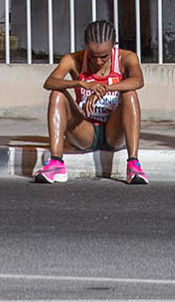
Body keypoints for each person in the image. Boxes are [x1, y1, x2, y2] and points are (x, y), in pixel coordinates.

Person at [33, 19, 148, 185]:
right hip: (85, 130)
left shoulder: (126, 58)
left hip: (114, 131)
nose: (98, 62)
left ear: (113, 46)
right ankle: (56, 163)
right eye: (93, 56)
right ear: (86, 46)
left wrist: (105, 89)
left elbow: (138, 81)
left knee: (130, 94)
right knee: (57, 94)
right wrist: (80, 83)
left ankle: (133, 164)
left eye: (104, 57)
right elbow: (50, 82)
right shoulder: (73, 59)